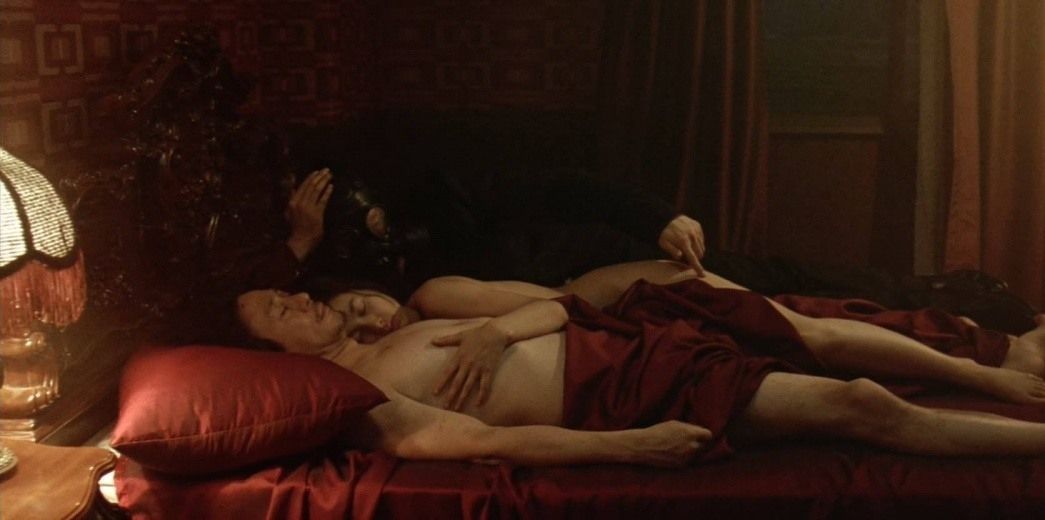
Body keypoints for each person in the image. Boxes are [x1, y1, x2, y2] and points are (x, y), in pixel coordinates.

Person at [235, 261, 1045, 466]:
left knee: (823, 335)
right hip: (632, 390)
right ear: (268, 359)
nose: (297, 298)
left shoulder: (414, 316)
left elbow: (559, 304)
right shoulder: (360, 395)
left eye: (288, 289)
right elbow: (484, 442)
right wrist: (626, 446)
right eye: (278, 309)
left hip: (635, 339)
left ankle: (995, 364)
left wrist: (496, 335)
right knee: (861, 403)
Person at [219, 167, 708, 300]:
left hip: (613, 259)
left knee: (728, 281)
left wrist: (658, 218)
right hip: (573, 314)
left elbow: (558, 187)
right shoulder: (336, 289)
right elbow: (248, 306)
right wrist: (300, 245)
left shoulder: (438, 196)